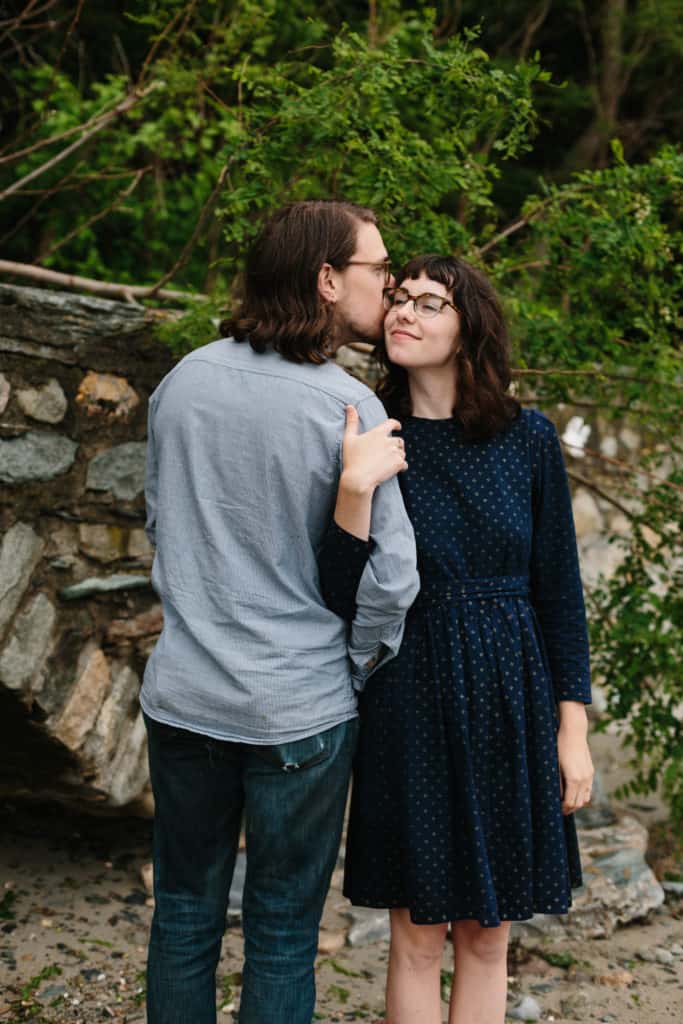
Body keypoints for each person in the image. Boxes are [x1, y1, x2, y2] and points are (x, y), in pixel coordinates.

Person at [140, 200, 420, 1024]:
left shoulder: (183, 379)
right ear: (328, 280)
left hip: (186, 695)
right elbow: (390, 578)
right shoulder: (347, 410)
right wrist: (358, 665)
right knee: (281, 932)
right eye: (377, 269)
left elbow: (160, 521)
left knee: (184, 914)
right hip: (299, 707)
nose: (391, 285)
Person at [318, 254, 594, 1024]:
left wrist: (572, 730)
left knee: (488, 933)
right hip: (410, 692)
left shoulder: (526, 436)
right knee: (416, 935)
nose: (403, 311)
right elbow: (338, 590)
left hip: (513, 692)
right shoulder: (368, 432)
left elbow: (559, 591)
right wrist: (352, 486)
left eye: (428, 303)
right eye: (397, 298)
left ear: (467, 325)